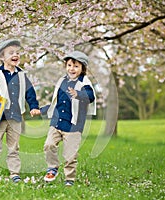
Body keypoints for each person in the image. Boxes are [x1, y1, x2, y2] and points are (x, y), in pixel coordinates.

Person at [0, 39, 41, 183]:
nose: (16, 55)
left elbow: (30, 92)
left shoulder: (22, 75)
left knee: (14, 147)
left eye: (17, 53)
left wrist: (34, 106)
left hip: (15, 117)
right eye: (11, 53)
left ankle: (14, 173)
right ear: (2, 57)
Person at [40, 50, 96, 186]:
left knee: (70, 155)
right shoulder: (62, 81)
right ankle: (52, 168)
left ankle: (69, 179)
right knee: (49, 145)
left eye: (76, 66)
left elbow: (90, 97)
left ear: (82, 68)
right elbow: (56, 102)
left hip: (73, 125)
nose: (72, 68)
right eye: (70, 65)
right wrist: (42, 110)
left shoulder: (85, 83)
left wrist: (78, 94)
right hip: (57, 122)